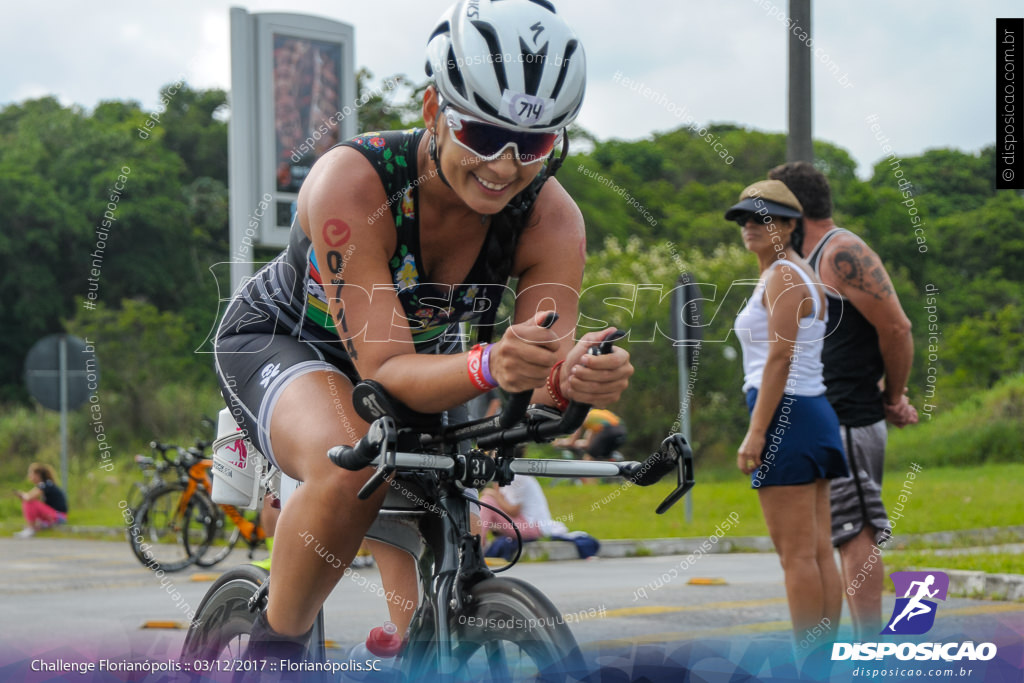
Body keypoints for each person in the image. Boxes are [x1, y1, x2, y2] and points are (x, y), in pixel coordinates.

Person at [213, 0, 631, 665]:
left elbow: (545, 379)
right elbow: (384, 370)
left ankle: (416, 648)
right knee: (348, 463)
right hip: (286, 341)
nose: (504, 165)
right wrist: (492, 364)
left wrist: (572, 377)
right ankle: (275, 651)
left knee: (441, 498)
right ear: (434, 109)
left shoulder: (551, 218)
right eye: (482, 134)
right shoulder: (351, 181)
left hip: (422, 360)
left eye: (533, 144)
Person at [768, 161, 918, 640]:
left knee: (856, 534)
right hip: (825, 417)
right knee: (831, 537)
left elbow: (897, 327)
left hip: (852, 416)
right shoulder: (803, 262)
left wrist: (893, 396)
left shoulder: (843, 251)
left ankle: (870, 648)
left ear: (792, 211)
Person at [727, 180, 848, 657]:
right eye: (745, 218)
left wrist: (756, 433)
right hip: (810, 412)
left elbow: (779, 357)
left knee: (796, 555)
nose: (751, 226)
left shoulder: (783, 275)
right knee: (817, 551)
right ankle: (823, 661)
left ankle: (810, 665)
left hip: (786, 415)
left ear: (790, 225)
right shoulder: (800, 274)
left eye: (765, 218)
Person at [13, 463, 68, 538]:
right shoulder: (45, 484)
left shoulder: (45, 485)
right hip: (54, 515)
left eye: (31, 473)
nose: (29, 476)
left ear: (37, 474)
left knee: (30, 502)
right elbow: (29, 495)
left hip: (59, 516)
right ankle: (32, 527)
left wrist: (22, 495)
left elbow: (29, 497)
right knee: (29, 502)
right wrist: (24, 496)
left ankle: (30, 529)